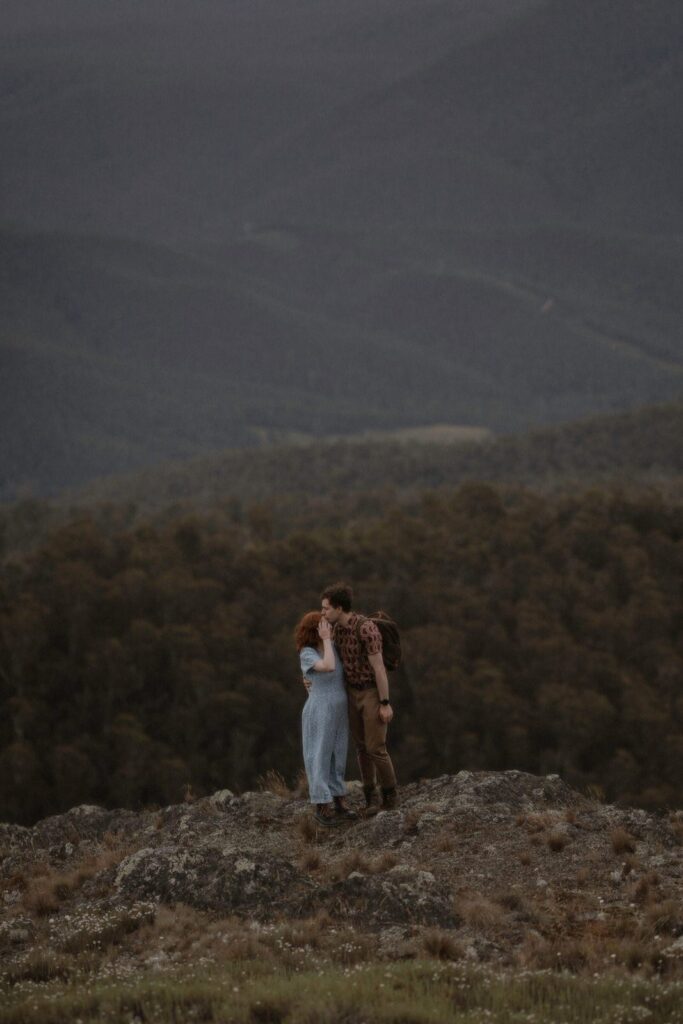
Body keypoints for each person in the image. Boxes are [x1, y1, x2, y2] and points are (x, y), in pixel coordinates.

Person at [320, 582, 398, 812]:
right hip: (351, 691)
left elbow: (379, 669)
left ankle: (390, 797)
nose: (323, 613)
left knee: (376, 747)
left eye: (326, 608)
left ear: (339, 608)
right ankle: (370, 797)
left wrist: (385, 703)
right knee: (361, 747)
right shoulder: (336, 631)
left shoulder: (366, 629)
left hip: (371, 691)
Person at [295, 611, 357, 826]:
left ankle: (339, 799)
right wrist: (327, 641)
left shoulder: (333, 649)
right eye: (324, 626)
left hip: (338, 710)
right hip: (320, 709)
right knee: (319, 754)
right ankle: (322, 805)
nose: (329, 628)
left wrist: (329, 643)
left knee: (337, 753)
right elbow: (328, 667)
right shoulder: (308, 653)